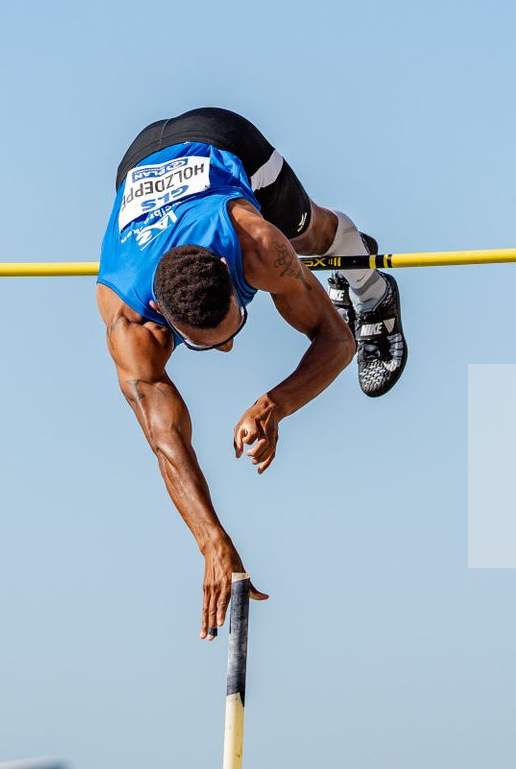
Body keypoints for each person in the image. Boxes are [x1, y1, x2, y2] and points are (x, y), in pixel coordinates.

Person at [95, 108, 408, 640]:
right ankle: (331, 288)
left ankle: (372, 288)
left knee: (308, 236)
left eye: (233, 326)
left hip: (222, 140)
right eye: (207, 346)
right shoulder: (127, 320)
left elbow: (337, 341)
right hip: (137, 165)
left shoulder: (256, 244)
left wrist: (274, 405)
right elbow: (165, 441)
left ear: (227, 270)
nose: (232, 346)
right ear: (163, 320)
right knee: (296, 274)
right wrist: (213, 542)